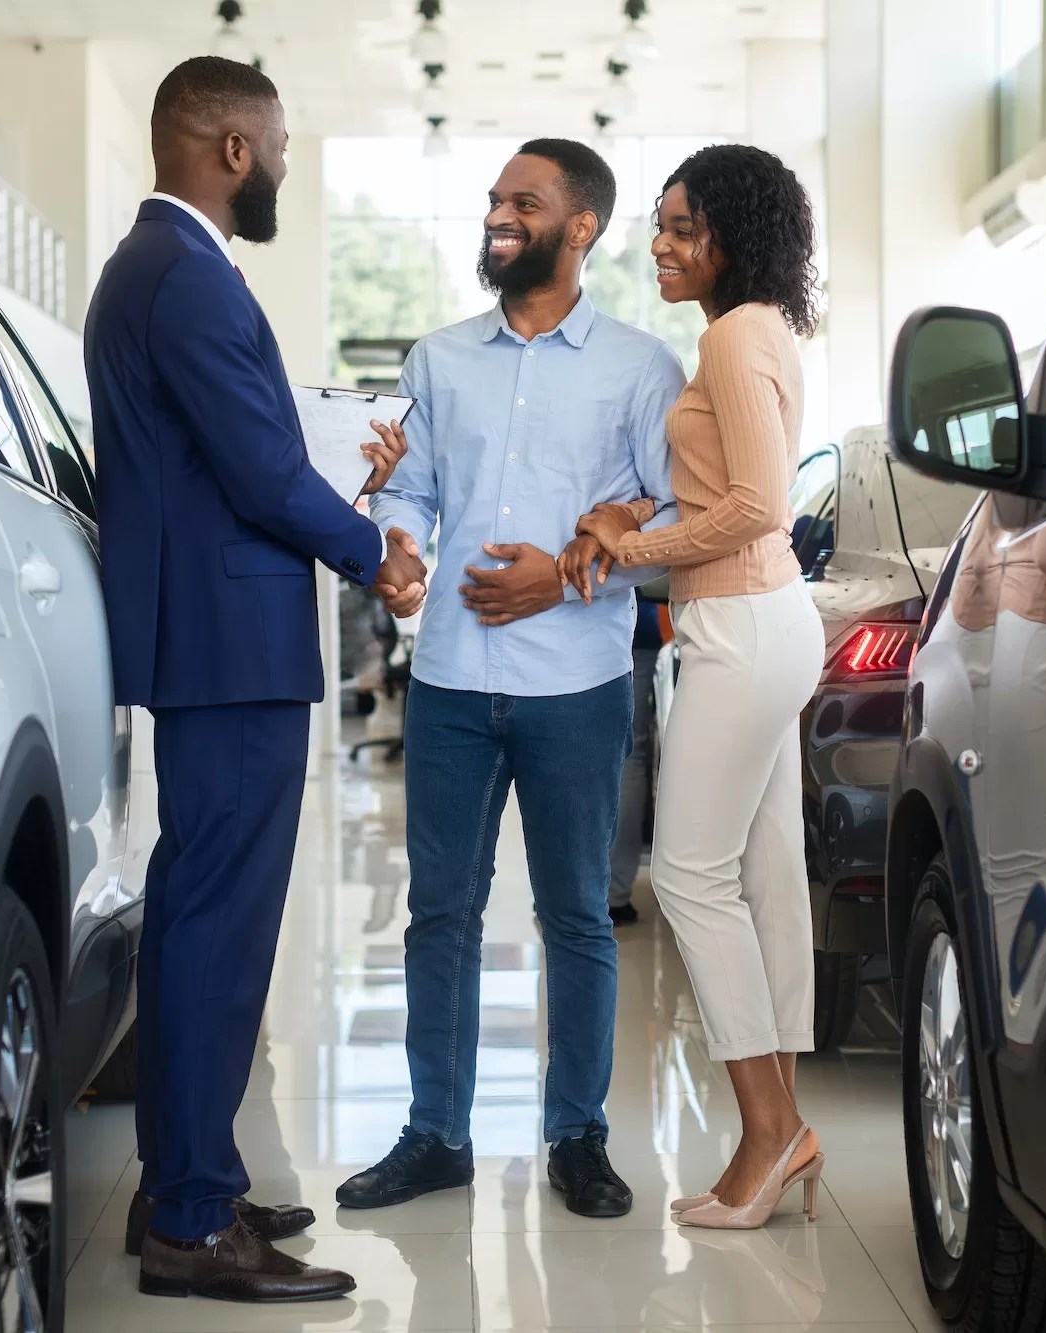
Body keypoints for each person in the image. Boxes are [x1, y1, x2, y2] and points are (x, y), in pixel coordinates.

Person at [84, 56, 424, 1303]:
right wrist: (370, 546)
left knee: (193, 919)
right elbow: (259, 473)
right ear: (230, 146)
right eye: (275, 143)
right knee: (217, 929)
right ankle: (187, 1218)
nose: (281, 162)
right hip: (227, 647)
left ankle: (194, 1182)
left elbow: (245, 451)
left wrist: (337, 468)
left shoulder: (161, 271)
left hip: (212, 640)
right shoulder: (184, 279)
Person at [334, 139, 683, 1219]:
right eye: (492, 200)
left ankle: (577, 1135)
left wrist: (563, 580)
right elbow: (413, 490)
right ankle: (434, 1133)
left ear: (580, 227)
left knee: (575, 912)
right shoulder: (440, 359)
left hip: (573, 680)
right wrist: (395, 545)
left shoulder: (640, 367)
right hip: (444, 677)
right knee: (439, 912)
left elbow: (674, 522)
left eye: (521, 203)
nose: (497, 216)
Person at [562, 144, 827, 1229]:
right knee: (763, 877)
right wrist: (636, 521)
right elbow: (738, 495)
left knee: (685, 877)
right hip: (754, 619)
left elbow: (759, 504)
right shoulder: (755, 330)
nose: (661, 246)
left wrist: (622, 551)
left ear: (733, 233)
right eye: (659, 227)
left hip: (743, 622)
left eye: (683, 227)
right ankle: (781, 1132)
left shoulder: (730, 333)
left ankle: (770, 1133)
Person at [608, 598, 664, 926]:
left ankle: (561, 886)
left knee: (556, 754)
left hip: (557, 622)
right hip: (632, 624)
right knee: (628, 754)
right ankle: (615, 893)